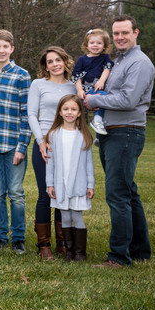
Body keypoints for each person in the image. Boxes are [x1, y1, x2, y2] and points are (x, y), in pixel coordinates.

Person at [84, 15, 154, 268]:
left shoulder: (139, 63)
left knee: (117, 194)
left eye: (125, 32)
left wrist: (93, 101)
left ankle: (118, 257)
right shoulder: (118, 61)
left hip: (126, 132)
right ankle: (139, 250)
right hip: (112, 132)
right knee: (128, 192)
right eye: (116, 34)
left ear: (136, 33)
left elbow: (127, 100)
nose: (120, 37)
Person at [0, 29, 31, 254]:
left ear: (12, 49)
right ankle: (0, 237)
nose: (1, 50)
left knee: (16, 193)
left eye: (5, 47)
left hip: (13, 146)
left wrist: (22, 147)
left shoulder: (22, 75)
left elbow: (26, 114)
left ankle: (18, 238)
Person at [27, 46, 76, 260]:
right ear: (45, 66)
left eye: (58, 60)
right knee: (46, 194)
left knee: (63, 194)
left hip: (68, 145)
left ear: (65, 62)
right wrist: (41, 141)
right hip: (45, 146)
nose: (55, 64)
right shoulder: (38, 85)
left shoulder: (74, 87)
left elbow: (79, 115)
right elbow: (31, 114)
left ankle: (63, 243)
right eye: (50, 61)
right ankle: (44, 245)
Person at [45, 94, 95, 262]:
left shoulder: (83, 136)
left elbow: (89, 164)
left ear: (80, 113)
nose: (69, 112)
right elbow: (50, 164)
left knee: (77, 216)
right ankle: (69, 251)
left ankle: (80, 253)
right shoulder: (53, 135)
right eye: (65, 109)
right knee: (65, 216)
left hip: (78, 184)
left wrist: (90, 185)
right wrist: (50, 184)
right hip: (61, 184)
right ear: (59, 112)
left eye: (73, 109)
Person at [73, 29, 114, 135]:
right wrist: (79, 90)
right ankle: (96, 121)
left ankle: (98, 135)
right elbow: (76, 76)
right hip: (86, 90)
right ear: (87, 45)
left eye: (99, 43)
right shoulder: (82, 59)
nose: (95, 45)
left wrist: (101, 81)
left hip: (98, 87)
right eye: (92, 43)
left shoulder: (105, 58)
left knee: (104, 103)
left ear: (105, 46)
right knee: (102, 99)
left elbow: (107, 69)